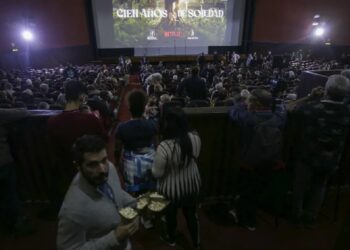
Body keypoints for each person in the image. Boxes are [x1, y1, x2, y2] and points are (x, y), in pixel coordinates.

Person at [57, 135, 138, 250]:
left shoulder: (109, 167)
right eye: (92, 164)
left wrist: (135, 205)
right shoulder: (72, 210)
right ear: (78, 166)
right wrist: (114, 237)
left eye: (104, 160)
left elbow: (115, 192)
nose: (103, 170)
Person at [290, 75, 350, 227]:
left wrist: (310, 97)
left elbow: (289, 107)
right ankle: (311, 216)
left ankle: (296, 214)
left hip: (307, 156)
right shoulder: (347, 111)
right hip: (332, 158)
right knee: (320, 186)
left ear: (326, 91)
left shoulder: (312, 108)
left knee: (300, 185)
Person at [228, 88, 286, 231]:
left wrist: (243, 100)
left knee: (247, 191)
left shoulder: (249, 119)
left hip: (250, 163)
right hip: (271, 162)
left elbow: (234, 110)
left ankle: (247, 220)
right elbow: (281, 107)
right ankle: (247, 213)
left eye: (250, 101)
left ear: (256, 103)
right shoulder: (278, 119)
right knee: (256, 189)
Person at [152, 107, 201, 249]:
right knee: (192, 215)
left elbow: (157, 173)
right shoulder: (196, 137)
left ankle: (171, 238)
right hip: (192, 183)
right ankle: (196, 243)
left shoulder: (165, 146)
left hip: (171, 190)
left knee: (171, 216)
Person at [116, 89, 158, 194]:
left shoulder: (122, 127)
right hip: (150, 165)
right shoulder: (152, 125)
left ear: (129, 107)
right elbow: (157, 146)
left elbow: (117, 150)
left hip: (130, 167)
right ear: (144, 107)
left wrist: (118, 164)